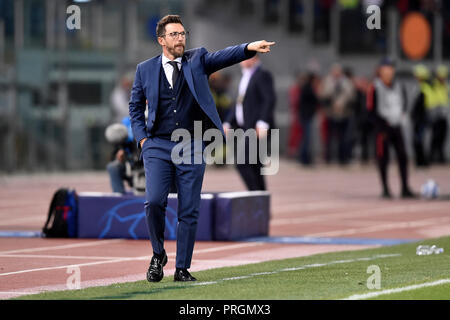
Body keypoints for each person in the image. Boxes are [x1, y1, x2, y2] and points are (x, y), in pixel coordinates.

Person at [128, 14, 275, 283]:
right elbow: (135, 107)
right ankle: (158, 253)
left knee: (189, 209)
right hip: (157, 144)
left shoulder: (198, 60)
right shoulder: (144, 69)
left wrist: (248, 47)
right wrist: (143, 141)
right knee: (154, 201)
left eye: (183, 33)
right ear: (161, 40)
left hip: (192, 143)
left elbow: (224, 56)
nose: (180, 38)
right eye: (174, 34)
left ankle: (182, 268)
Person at [223, 54, 276, 191]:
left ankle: (255, 195)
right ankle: (261, 201)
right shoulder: (245, 76)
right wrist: (228, 123)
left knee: (242, 162)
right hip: (245, 128)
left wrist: (263, 122)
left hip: (256, 128)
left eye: (245, 58)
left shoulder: (262, 74)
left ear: (254, 59)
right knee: (255, 165)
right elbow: (239, 104)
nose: (242, 61)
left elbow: (268, 99)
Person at [366, 58, 415, 199]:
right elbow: (370, 110)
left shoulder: (399, 86)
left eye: (391, 68)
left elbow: (404, 103)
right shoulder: (374, 87)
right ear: (380, 70)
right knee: (383, 158)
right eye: (386, 68)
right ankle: (385, 188)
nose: (389, 71)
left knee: (403, 156)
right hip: (383, 128)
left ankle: (405, 187)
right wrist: (380, 126)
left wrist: (401, 117)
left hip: (397, 125)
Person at [319, 63, 356, 165]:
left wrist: (341, 102)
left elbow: (351, 95)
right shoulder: (328, 81)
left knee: (344, 137)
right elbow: (323, 94)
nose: (336, 73)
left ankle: (343, 158)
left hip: (344, 113)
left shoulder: (346, 82)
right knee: (329, 137)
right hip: (331, 113)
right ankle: (328, 158)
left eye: (338, 71)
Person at [411, 64, 433, 167]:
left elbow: (426, 106)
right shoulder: (419, 87)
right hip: (418, 120)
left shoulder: (425, 89)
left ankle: (422, 162)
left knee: (420, 141)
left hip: (421, 120)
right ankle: (420, 161)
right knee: (417, 141)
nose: (415, 77)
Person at [429, 65, 449, 164]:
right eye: (442, 76)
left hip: (443, 116)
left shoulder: (446, 86)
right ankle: (432, 157)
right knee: (435, 137)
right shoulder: (434, 85)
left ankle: (441, 157)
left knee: (442, 138)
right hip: (435, 115)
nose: (443, 78)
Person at [298, 72, 319, 165]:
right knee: (307, 138)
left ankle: (305, 158)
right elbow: (316, 100)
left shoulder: (306, 87)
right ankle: (305, 159)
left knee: (306, 138)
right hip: (306, 116)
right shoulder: (308, 88)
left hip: (306, 116)